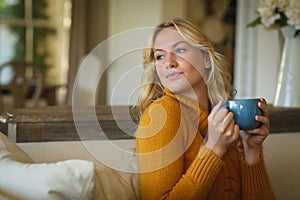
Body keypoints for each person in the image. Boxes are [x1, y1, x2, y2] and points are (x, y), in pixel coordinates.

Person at [135, 17, 275, 199]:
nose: (168, 62)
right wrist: (214, 148)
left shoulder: (224, 120)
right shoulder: (160, 115)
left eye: (179, 50)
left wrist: (251, 149)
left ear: (206, 59)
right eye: (160, 56)